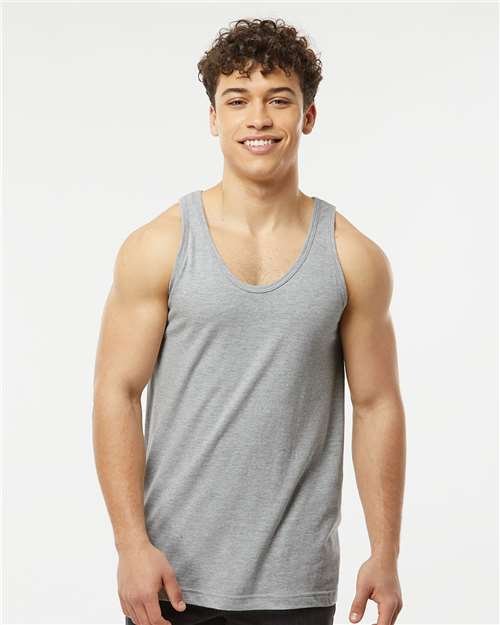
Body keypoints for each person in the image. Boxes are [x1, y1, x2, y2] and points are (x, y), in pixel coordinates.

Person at [92, 17, 405, 625]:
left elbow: (376, 405)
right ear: (214, 118)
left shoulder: (352, 256)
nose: (257, 118)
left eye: (277, 100)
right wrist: (130, 545)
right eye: (237, 100)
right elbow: (116, 391)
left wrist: (385, 553)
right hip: (170, 577)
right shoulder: (160, 245)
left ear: (307, 116)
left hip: (296, 583)